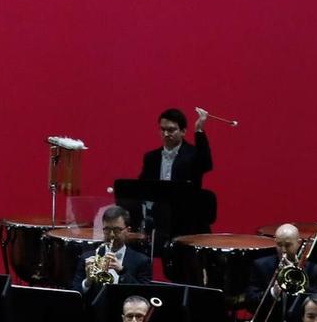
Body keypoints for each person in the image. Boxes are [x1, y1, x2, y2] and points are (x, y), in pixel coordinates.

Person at [237, 223, 317, 322]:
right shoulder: (261, 265)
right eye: (279, 244)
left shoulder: (313, 270)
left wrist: (300, 284)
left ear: (299, 243)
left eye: (288, 245)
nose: (282, 250)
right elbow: (250, 301)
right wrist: (272, 292)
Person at [136, 107, 215, 241]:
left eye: (171, 130)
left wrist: (199, 130)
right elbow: (143, 187)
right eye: (163, 129)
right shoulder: (151, 158)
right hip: (159, 220)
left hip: (187, 221)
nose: (166, 134)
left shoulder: (193, 155)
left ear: (183, 131)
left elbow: (206, 164)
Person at [72, 206, 150, 291]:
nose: (112, 235)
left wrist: (122, 271)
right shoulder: (87, 258)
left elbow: (143, 295)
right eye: (107, 230)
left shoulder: (142, 261)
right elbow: (75, 294)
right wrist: (88, 281)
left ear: (128, 230)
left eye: (117, 230)